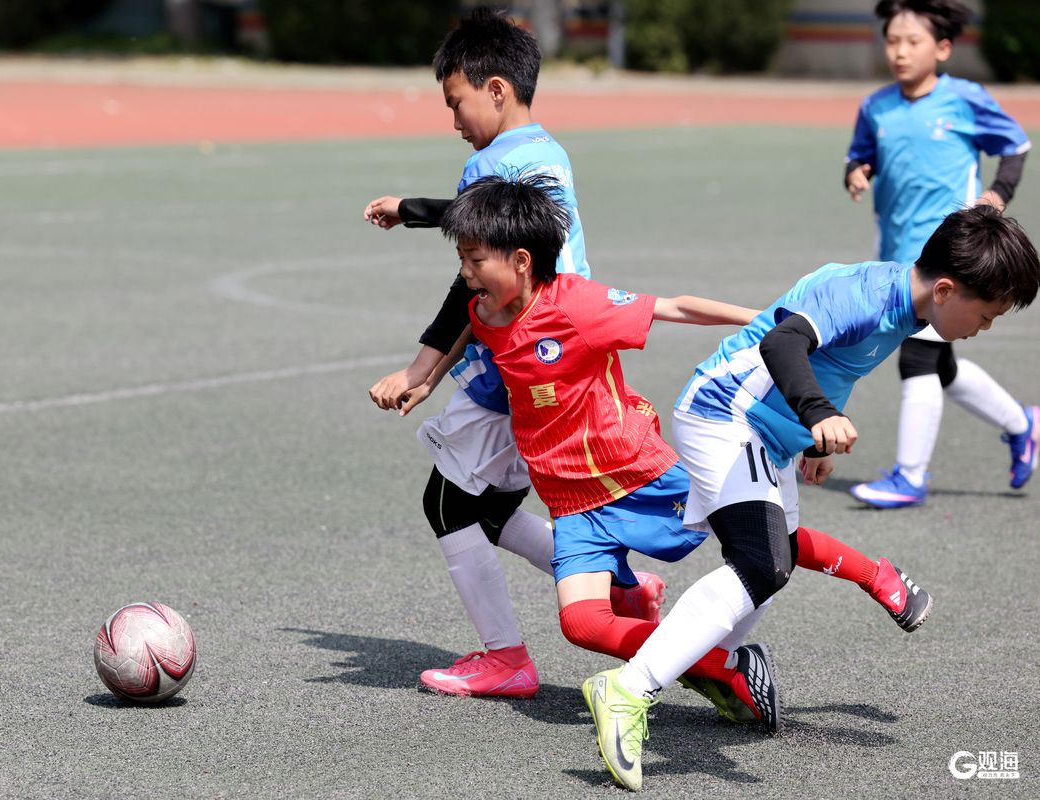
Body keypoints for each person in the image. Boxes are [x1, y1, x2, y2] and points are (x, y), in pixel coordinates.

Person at [436, 174, 983, 790]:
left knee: (764, 551)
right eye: (464, 259)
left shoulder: (575, 304)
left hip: (637, 471)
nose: (465, 274)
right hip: (588, 487)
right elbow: (797, 343)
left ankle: (669, 673)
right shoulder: (482, 310)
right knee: (591, 621)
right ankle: (717, 666)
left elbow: (691, 311)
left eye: (474, 260)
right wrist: (421, 374)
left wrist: (788, 371)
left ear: (520, 260)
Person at [574, 203, 1039, 790]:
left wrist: (813, 435)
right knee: (761, 563)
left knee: (776, 560)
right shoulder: (866, 294)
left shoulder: (909, 305)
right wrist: (818, 413)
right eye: (987, 314)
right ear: (946, 290)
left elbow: (837, 360)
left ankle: (710, 666)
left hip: (770, 430)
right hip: (726, 413)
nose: (985, 327)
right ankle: (628, 688)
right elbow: (784, 344)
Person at [363, 8, 667, 700]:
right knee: (492, 512)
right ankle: (623, 584)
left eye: (456, 102)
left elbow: (473, 285)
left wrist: (421, 369)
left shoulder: (488, 164)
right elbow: (487, 228)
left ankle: (507, 659)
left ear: (495, 90)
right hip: (559, 362)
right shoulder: (546, 154)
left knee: (447, 505)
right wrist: (413, 208)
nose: (453, 119)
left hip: (514, 368)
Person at [845, 0, 1036, 509]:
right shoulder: (876, 106)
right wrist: (857, 173)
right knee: (941, 364)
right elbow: (860, 155)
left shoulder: (965, 99)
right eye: (892, 41)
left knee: (918, 356)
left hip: (952, 258)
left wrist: (998, 193)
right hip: (898, 259)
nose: (900, 51)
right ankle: (1023, 424)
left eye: (913, 42)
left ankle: (910, 476)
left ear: (943, 48)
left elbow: (1016, 146)